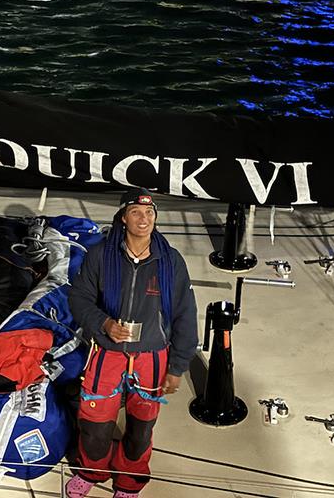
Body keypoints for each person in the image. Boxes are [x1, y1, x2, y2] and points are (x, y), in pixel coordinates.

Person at [66, 188, 198, 498]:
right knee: (95, 424)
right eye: (136, 213)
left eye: (150, 213)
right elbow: (79, 297)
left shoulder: (170, 261)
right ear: (123, 218)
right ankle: (89, 471)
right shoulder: (101, 254)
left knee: (141, 429)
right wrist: (104, 323)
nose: (144, 219)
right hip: (107, 354)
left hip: (152, 358)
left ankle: (129, 481)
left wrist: (177, 367)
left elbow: (186, 315)